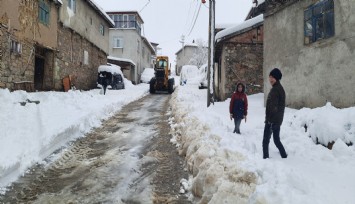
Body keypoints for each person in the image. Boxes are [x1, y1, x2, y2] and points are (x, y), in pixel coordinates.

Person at [262, 68, 287, 159]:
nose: (270, 79)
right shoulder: (278, 88)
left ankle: (265, 158)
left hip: (272, 120)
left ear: (276, 78)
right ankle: (284, 155)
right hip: (275, 120)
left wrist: (270, 121)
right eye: (269, 77)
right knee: (276, 140)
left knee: (266, 140)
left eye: (272, 77)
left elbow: (274, 107)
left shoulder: (276, 90)